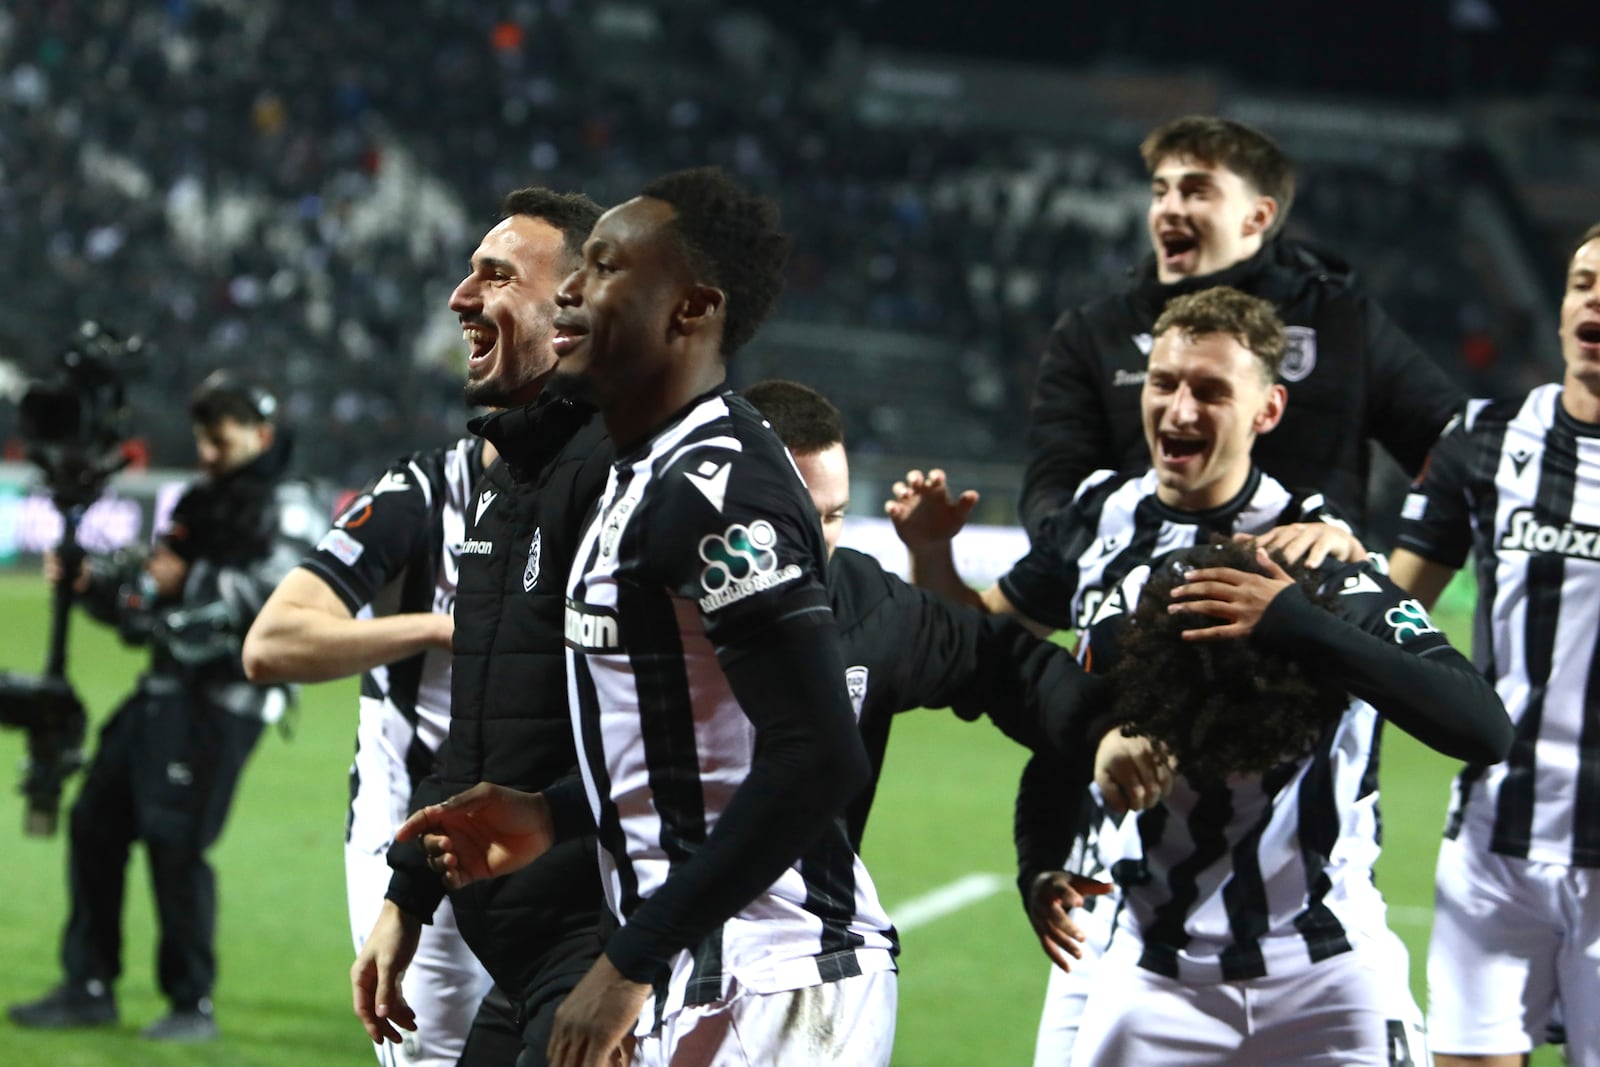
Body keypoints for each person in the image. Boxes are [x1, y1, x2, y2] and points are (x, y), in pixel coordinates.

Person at [401, 168, 899, 1067]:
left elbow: (819, 752)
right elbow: (682, 754)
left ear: (689, 311)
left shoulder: (720, 481)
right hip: (692, 963)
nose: (577, 292)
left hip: (771, 975)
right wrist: (551, 811)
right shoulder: (638, 474)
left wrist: (626, 960)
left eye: (606, 269)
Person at [886, 285, 1375, 1062]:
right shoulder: (1098, 512)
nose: (1179, 409)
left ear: (1267, 410)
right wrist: (931, 553)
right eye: (1164, 382)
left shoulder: (1310, 540)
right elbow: (989, 647)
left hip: (1298, 941)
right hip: (1117, 917)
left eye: (1211, 390)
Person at [1053, 536, 1507, 1064]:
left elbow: (1485, 730)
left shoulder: (1347, 589)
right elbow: (1048, 704)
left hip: (1332, 975)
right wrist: (1102, 732)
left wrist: (1299, 623)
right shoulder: (1144, 595)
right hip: (1157, 978)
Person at [345, 187, 613, 1067]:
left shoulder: (634, 475)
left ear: (575, 303)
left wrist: (638, 961)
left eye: (495, 276)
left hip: (607, 947)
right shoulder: (508, 489)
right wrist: (407, 896)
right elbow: (480, 732)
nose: (461, 298)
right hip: (527, 961)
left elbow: (707, 744)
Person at [8, 371, 327, 1042]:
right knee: (95, 820)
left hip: (225, 699)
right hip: (163, 689)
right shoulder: (198, 502)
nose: (208, 451)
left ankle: (191, 1003)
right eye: (202, 438)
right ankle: (88, 983)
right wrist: (99, 586)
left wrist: (192, 580)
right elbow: (147, 611)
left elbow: (293, 591)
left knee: (176, 841)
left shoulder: (287, 503)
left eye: (221, 437)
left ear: (260, 434)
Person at [1018, 113, 1464, 543]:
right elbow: (1054, 486)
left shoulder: (1340, 322)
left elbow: (1455, 452)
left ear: (1258, 217)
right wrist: (1083, 565)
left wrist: (1408, 568)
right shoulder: (1095, 334)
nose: (1168, 210)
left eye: (1196, 192)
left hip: (1308, 603)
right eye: (1160, 192)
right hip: (1148, 604)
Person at [1388, 222, 1600, 1067]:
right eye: (1583, 282)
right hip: (1492, 843)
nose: (1596, 300)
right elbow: (1398, 610)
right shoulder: (1483, 438)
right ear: (1558, 310)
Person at [741, 378, 1108, 850]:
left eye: (833, 516)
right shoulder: (640, 599)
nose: (817, 541)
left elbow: (996, 656)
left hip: (812, 918)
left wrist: (1106, 728)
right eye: (792, 516)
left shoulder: (865, 604)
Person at [242, 428, 494, 1067]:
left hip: (561, 843)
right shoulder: (421, 495)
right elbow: (272, 643)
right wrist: (435, 628)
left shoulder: (591, 487)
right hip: (415, 840)